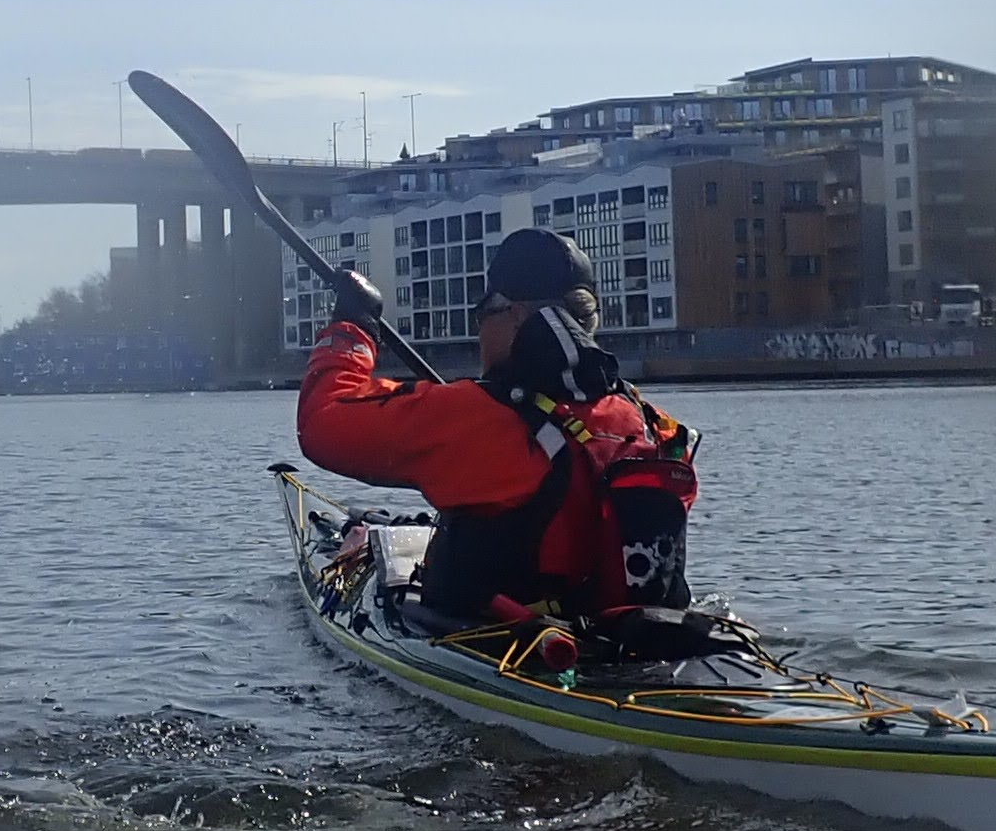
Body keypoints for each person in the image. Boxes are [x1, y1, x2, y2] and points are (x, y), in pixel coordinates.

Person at [298, 225, 697, 632]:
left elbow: (322, 423)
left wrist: (352, 327)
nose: (479, 330)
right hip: (628, 633)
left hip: (495, 637)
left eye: (483, 314)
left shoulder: (474, 414)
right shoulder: (649, 421)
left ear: (516, 314)